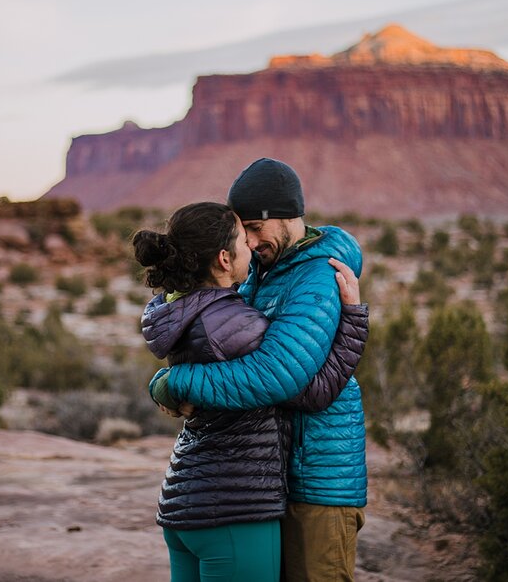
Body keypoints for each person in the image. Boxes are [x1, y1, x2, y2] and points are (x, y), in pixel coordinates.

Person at [153, 158, 368, 582]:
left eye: (255, 227)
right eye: (242, 231)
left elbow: (278, 376)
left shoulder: (318, 275)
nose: (249, 243)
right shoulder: (260, 273)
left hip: (317, 481)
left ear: (286, 216)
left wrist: (174, 383)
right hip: (267, 480)